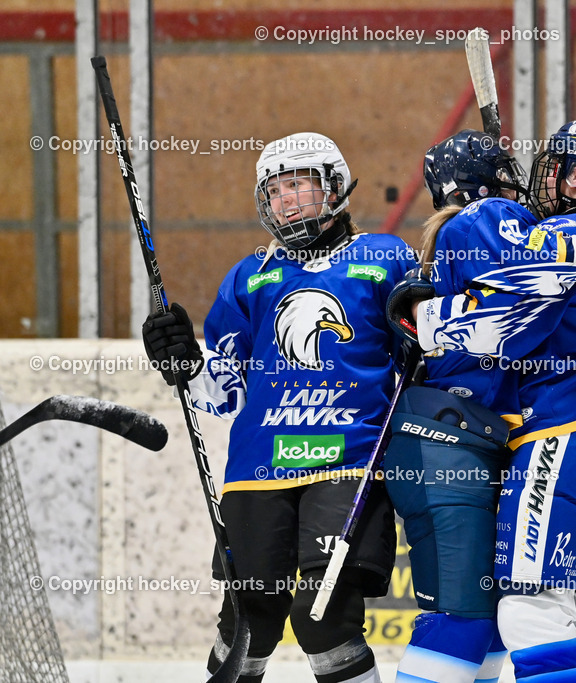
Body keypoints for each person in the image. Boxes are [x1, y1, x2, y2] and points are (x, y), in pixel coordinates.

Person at [384, 129, 576, 683]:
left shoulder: (466, 234)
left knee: (525, 608)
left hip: (486, 438)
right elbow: (518, 308)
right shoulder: (487, 218)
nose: (529, 180)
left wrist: (428, 316)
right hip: (458, 441)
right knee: (481, 612)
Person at [141, 132, 418, 683]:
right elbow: (223, 396)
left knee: (323, 615)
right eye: (277, 191)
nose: (288, 201)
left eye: (299, 185)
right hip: (258, 469)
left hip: (348, 461)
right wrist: (183, 363)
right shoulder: (249, 276)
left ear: (334, 188)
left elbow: (423, 350)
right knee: (250, 619)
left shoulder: (385, 257)